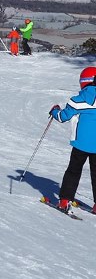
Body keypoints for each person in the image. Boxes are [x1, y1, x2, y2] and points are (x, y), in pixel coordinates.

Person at [49, 67, 96, 214]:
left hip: (81, 144)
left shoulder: (78, 100)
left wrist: (54, 110)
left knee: (73, 171)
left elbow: (62, 117)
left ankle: (64, 201)